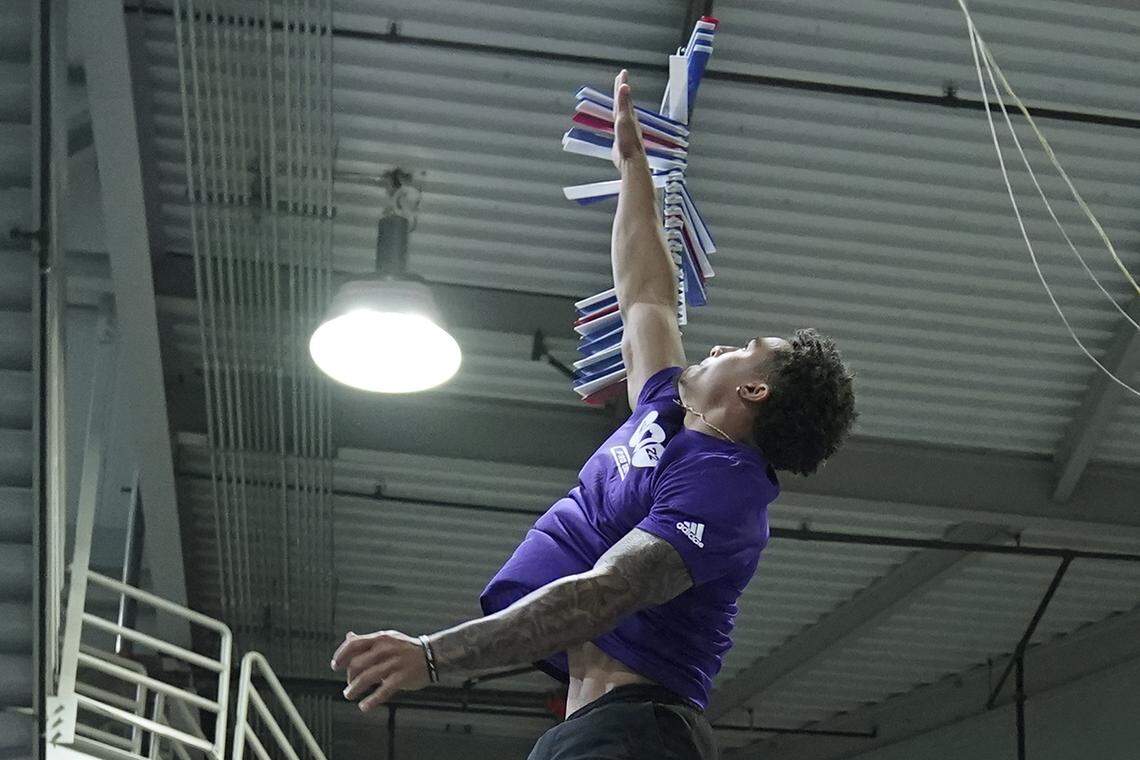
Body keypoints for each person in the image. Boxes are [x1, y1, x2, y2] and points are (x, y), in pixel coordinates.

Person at [331, 69, 858, 759]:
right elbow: (644, 292)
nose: (725, 344)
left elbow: (609, 593)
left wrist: (434, 656)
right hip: (584, 729)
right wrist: (634, 170)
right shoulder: (668, 408)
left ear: (755, 392)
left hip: (643, 733)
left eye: (747, 349)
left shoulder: (726, 489)